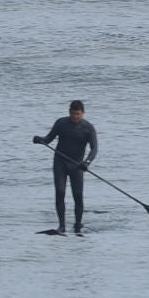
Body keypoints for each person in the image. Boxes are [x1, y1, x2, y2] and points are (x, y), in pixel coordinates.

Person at [33, 99, 99, 234]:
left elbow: (94, 148)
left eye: (78, 114)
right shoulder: (61, 123)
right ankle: (61, 226)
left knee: (78, 195)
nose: (76, 116)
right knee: (60, 192)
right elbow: (48, 139)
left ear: (83, 113)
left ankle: (77, 225)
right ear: (69, 112)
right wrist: (39, 140)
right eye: (73, 113)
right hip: (60, 163)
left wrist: (86, 162)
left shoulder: (88, 128)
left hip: (77, 165)